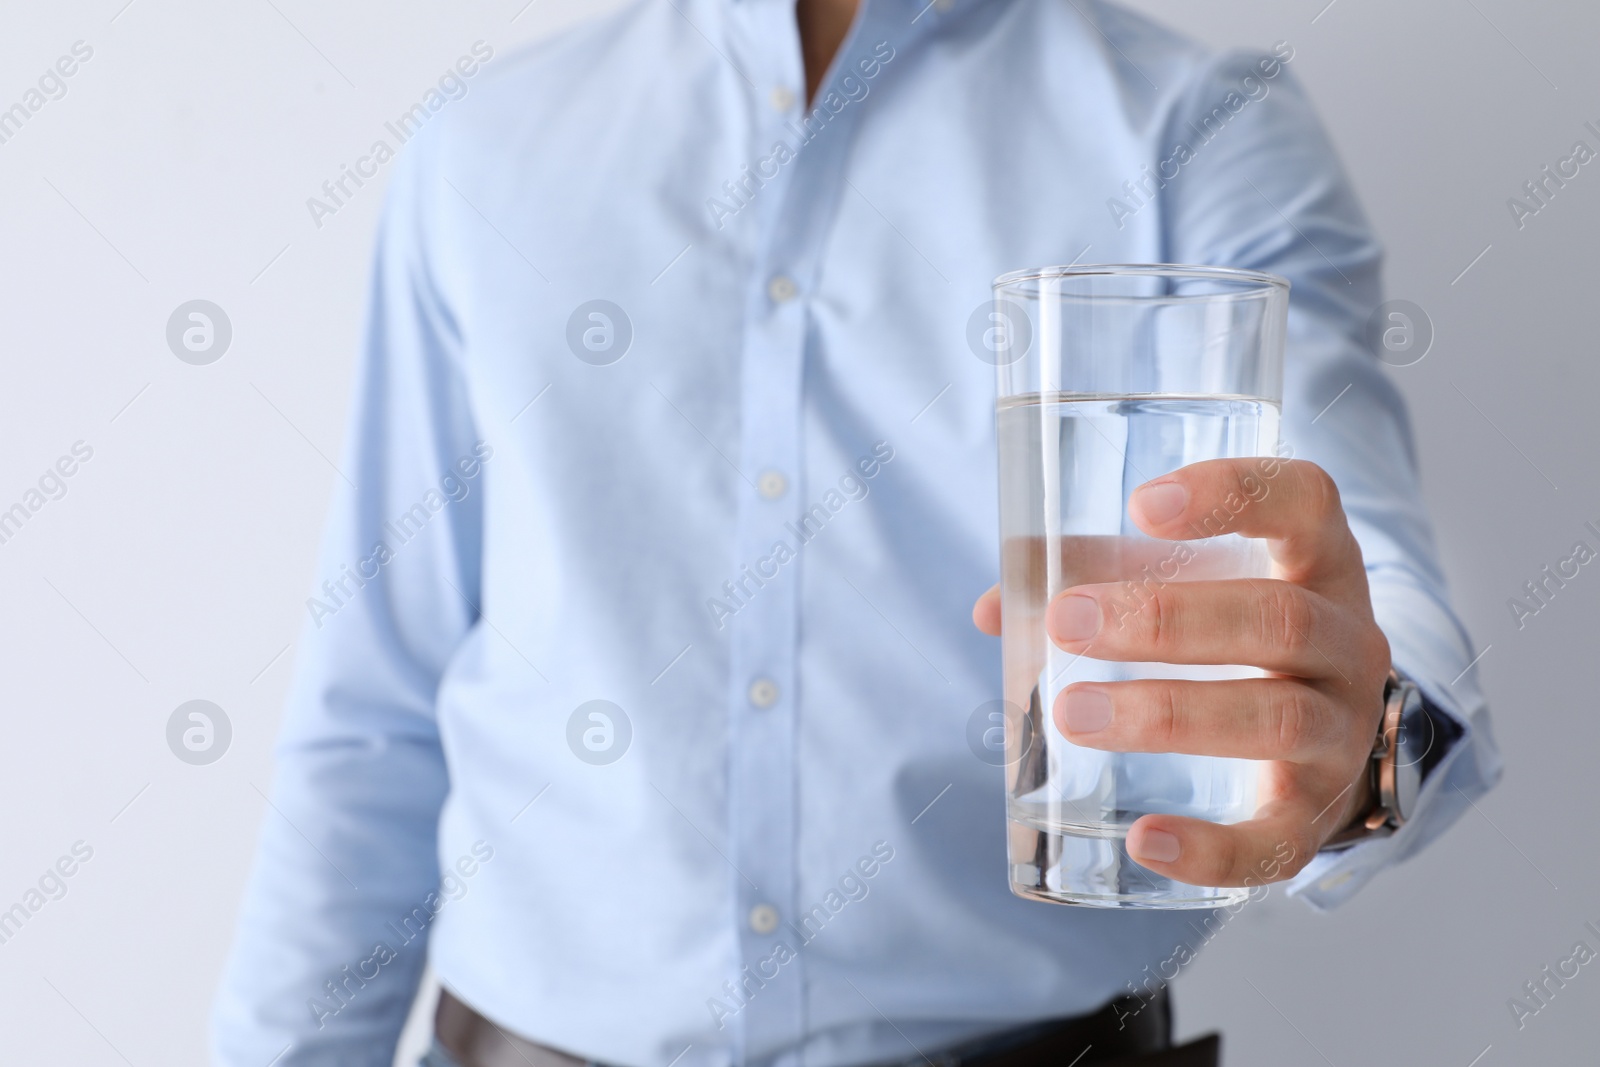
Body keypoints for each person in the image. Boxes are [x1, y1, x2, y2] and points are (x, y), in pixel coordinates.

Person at [212, 0, 1502, 1064]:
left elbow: (1372, 587)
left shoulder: (1201, 126)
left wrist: (1359, 749)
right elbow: (376, 716)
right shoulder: (480, 150)